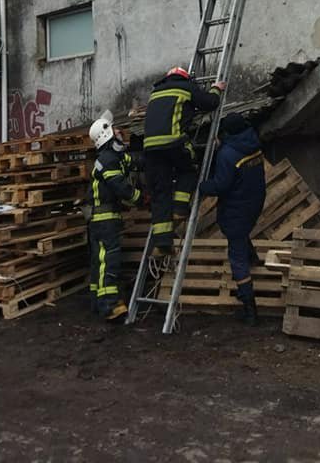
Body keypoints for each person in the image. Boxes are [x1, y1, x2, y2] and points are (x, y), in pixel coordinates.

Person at [143, 67, 226, 258]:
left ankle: (163, 243)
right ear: (185, 77)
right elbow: (210, 103)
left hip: (150, 150)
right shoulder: (186, 87)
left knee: (161, 192)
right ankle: (180, 208)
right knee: (188, 169)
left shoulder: (155, 92)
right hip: (173, 143)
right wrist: (216, 88)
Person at [199, 112, 266, 326]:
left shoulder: (228, 154)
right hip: (254, 202)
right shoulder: (253, 142)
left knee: (236, 257)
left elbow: (220, 186)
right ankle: (253, 257)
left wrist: (201, 185)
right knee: (241, 230)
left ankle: (250, 308)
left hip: (236, 209)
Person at [88, 109, 142, 320]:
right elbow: (120, 187)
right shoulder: (108, 159)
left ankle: (98, 302)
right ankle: (109, 305)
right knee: (108, 261)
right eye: (116, 130)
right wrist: (141, 198)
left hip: (103, 220)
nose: (120, 132)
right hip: (105, 221)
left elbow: (131, 162)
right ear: (107, 135)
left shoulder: (113, 157)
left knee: (99, 262)